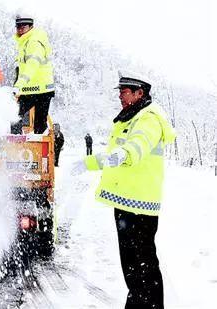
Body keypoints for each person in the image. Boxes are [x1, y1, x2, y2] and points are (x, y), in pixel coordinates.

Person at [71, 73, 176, 308]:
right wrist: (88, 163)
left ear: (140, 93)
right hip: (127, 203)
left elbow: (137, 144)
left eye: (124, 91)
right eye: (119, 91)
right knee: (131, 266)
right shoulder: (130, 117)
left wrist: (125, 154)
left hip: (140, 204)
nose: (120, 95)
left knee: (143, 265)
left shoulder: (148, 118)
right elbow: (115, 153)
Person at [10, 15, 55, 135]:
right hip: (29, 89)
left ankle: (39, 152)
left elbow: (32, 65)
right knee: (13, 117)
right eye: (17, 27)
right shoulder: (24, 41)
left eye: (23, 27)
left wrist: (19, 84)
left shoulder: (34, 42)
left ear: (31, 27)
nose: (19, 30)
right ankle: (16, 147)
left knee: (39, 125)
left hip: (42, 89)